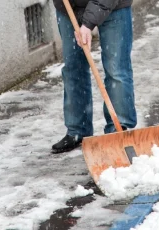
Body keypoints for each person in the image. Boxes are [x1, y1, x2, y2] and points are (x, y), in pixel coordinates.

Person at [51, 0, 137, 153]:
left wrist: (88, 24)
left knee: (116, 70)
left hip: (114, 6)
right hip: (69, 7)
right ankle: (78, 130)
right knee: (73, 69)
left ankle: (119, 129)